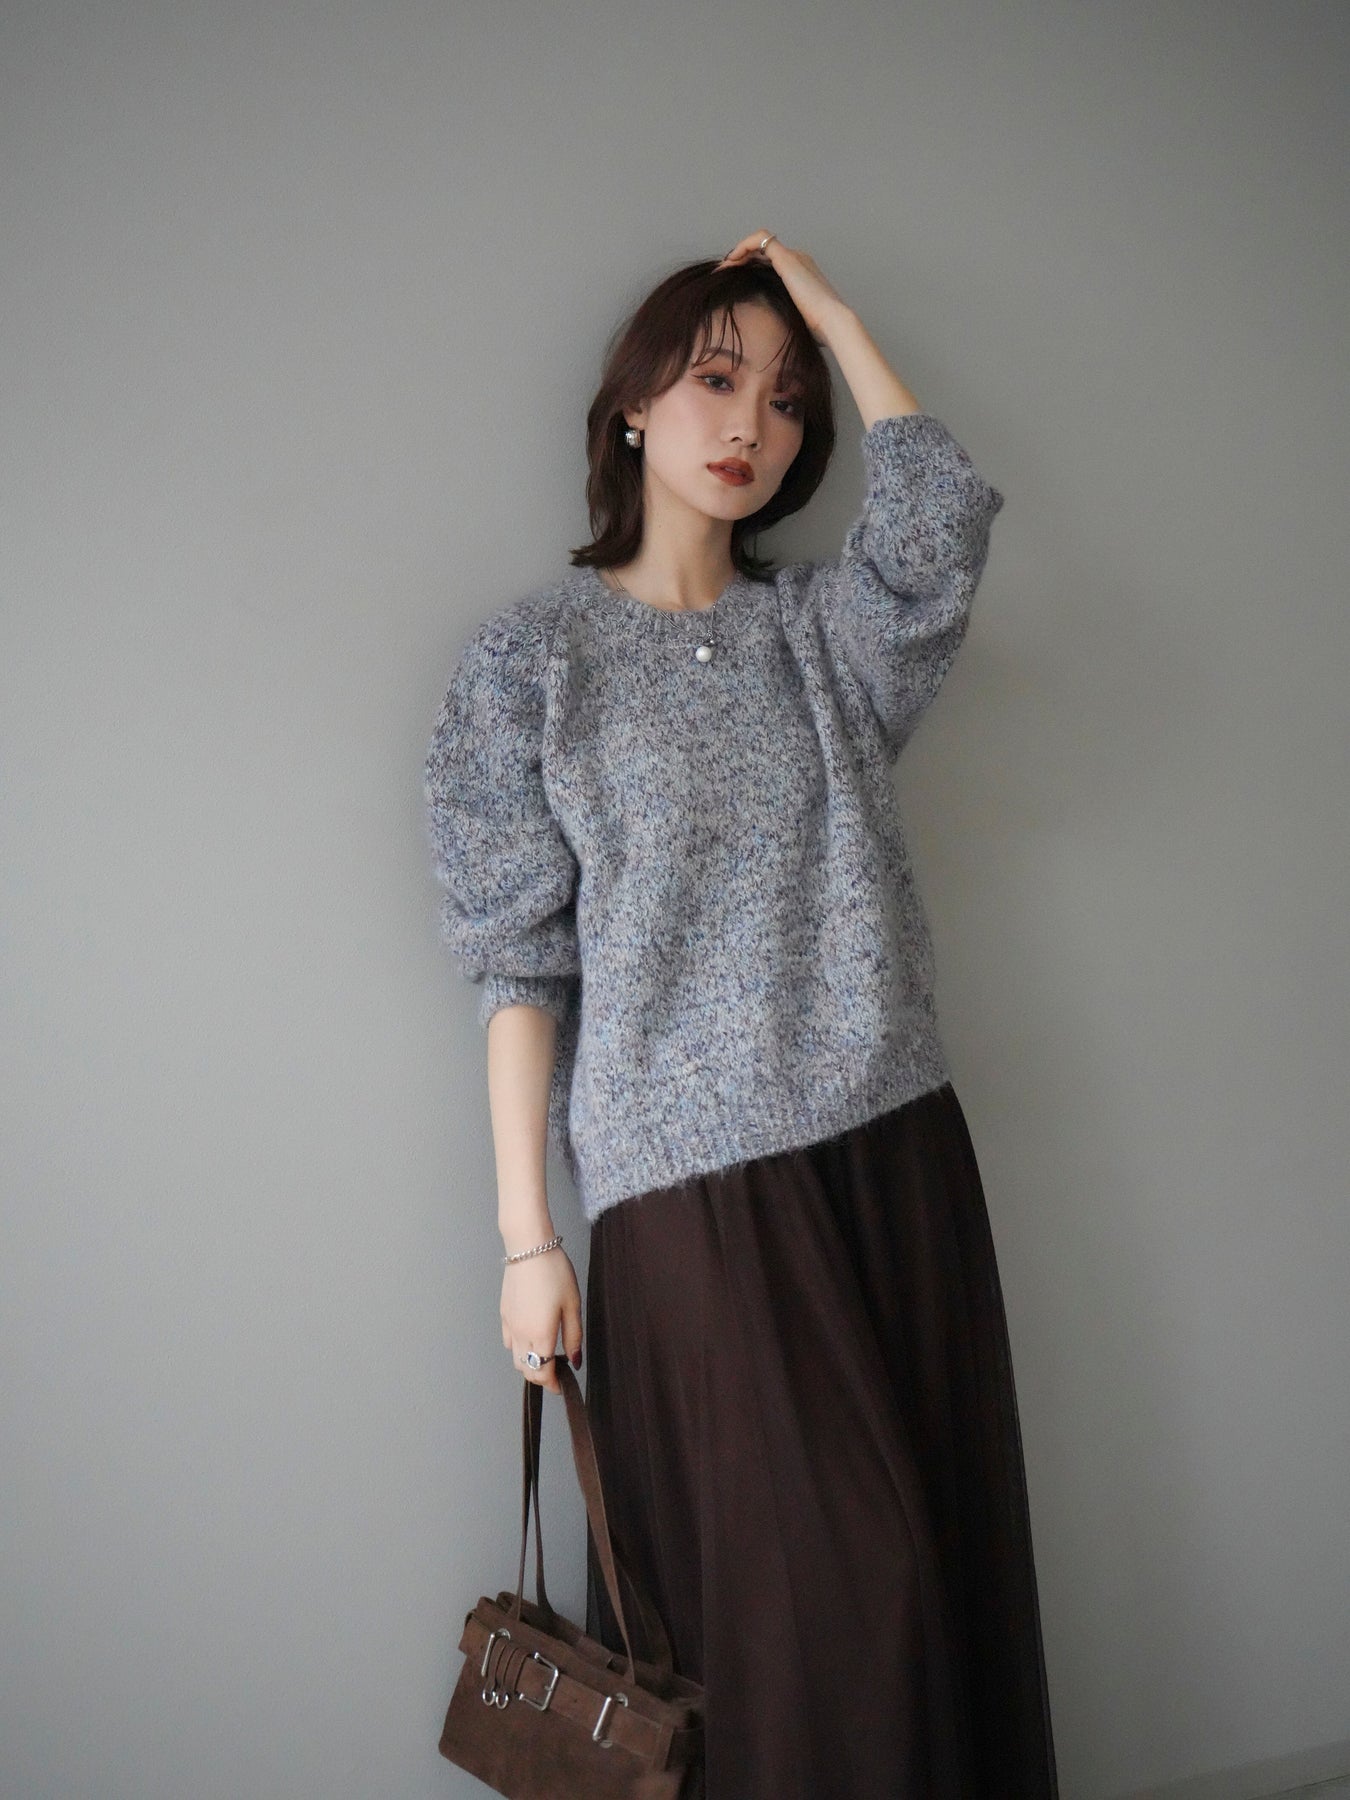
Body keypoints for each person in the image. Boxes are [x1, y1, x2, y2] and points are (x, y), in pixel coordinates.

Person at [423, 231, 1059, 1796]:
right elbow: (516, 964)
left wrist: (835, 317)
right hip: (691, 1196)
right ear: (632, 404)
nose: (750, 425)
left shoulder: (825, 638)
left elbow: (938, 526)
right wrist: (524, 1241)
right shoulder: (530, 664)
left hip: (891, 1148)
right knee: (826, 1604)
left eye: (785, 399)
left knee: (925, 1580)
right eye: (714, 378)